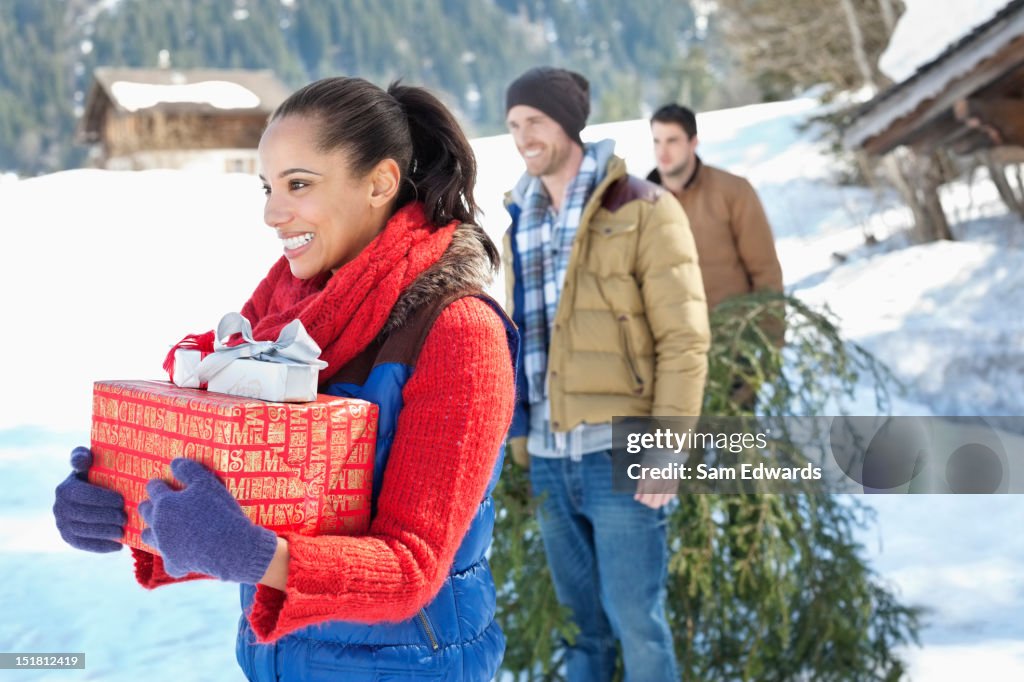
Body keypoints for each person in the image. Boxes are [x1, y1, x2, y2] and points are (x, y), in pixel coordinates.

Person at [52, 76, 518, 682]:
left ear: (379, 183)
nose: (273, 213)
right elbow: (241, 508)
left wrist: (254, 553)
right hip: (277, 663)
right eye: (268, 187)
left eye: (299, 184)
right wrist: (132, 510)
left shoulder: (457, 331)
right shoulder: (272, 324)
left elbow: (412, 568)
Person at [503, 66, 710, 682]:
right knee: (579, 631)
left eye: (534, 122)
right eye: (513, 125)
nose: (523, 137)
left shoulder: (644, 207)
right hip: (546, 453)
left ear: (567, 123)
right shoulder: (524, 215)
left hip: (619, 452)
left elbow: (684, 337)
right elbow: (521, 334)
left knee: (637, 622)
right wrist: (518, 440)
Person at [648, 104, 784, 410]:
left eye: (672, 141)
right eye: (657, 141)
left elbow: (765, 271)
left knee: (734, 444)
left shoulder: (732, 192)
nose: (663, 152)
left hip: (732, 344)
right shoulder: (642, 200)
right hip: (667, 353)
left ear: (693, 142)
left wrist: (771, 343)